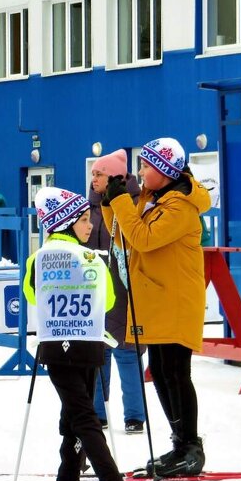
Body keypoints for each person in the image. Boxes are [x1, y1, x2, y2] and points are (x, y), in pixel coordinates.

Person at [102, 137, 212, 477]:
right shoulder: (154, 199)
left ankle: (191, 446)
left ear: (164, 171)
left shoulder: (180, 205)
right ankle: (180, 442)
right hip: (156, 298)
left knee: (177, 372)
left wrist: (121, 202)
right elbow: (123, 236)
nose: (141, 172)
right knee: (161, 372)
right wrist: (111, 203)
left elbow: (145, 240)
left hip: (176, 300)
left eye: (147, 166)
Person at [23, 187, 132, 481]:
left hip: (58, 345)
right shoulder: (92, 258)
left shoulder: (40, 257)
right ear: (66, 223)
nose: (89, 225)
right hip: (90, 344)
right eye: (84, 220)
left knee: (80, 416)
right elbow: (111, 299)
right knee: (74, 416)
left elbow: (31, 293)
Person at [87, 149, 146, 434]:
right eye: (93, 174)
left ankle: (135, 415)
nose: (93, 179)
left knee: (128, 350)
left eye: (99, 174)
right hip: (96, 288)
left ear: (114, 176)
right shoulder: (89, 209)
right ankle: (97, 412)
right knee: (97, 351)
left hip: (125, 287)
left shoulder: (133, 204)